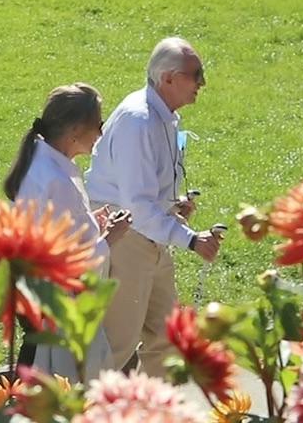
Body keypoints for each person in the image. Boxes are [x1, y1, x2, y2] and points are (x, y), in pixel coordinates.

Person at [85, 37, 222, 378]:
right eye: (196, 74)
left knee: (166, 339)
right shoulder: (139, 122)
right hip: (127, 237)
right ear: (169, 78)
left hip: (148, 236)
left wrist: (172, 206)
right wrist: (191, 239)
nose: (202, 83)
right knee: (117, 344)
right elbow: (136, 206)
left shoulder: (162, 116)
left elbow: (145, 195)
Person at [3, 82, 132, 379]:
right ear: (75, 130)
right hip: (53, 306)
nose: (100, 133)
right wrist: (111, 236)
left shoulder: (41, 159)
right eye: (98, 124)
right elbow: (71, 265)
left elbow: (58, 230)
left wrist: (91, 223)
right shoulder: (57, 179)